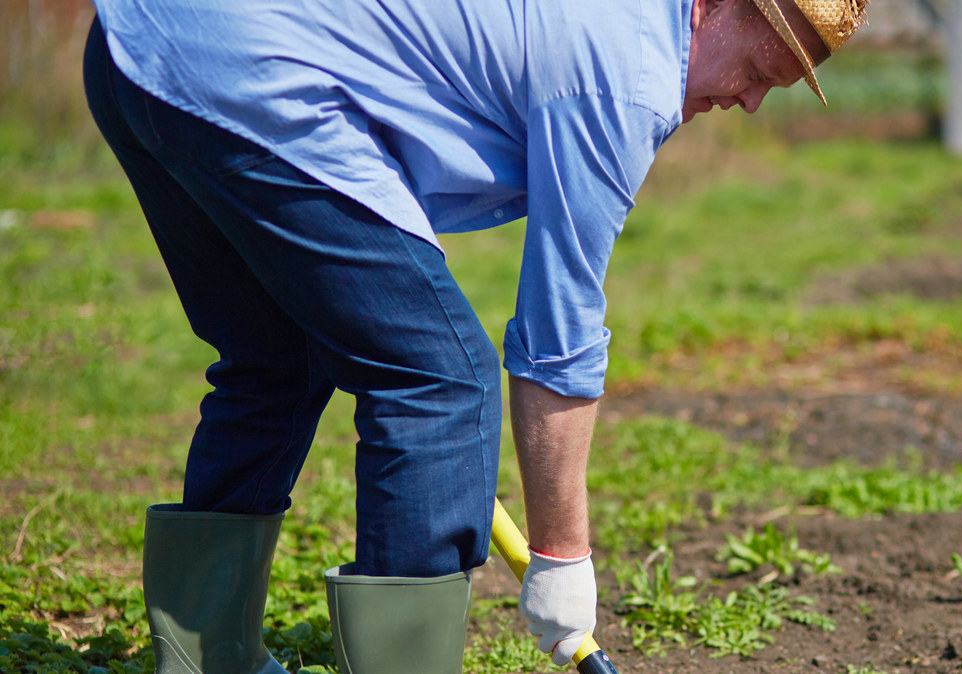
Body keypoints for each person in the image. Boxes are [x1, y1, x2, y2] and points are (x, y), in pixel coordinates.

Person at [82, 0, 867, 671]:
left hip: (143, 45)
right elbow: (557, 336)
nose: (753, 101)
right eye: (761, 71)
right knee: (439, 380)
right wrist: (563, 556)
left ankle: (205, 656)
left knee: (275, 355)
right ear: (714, 4)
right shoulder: (627, 75)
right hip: (247, 75)